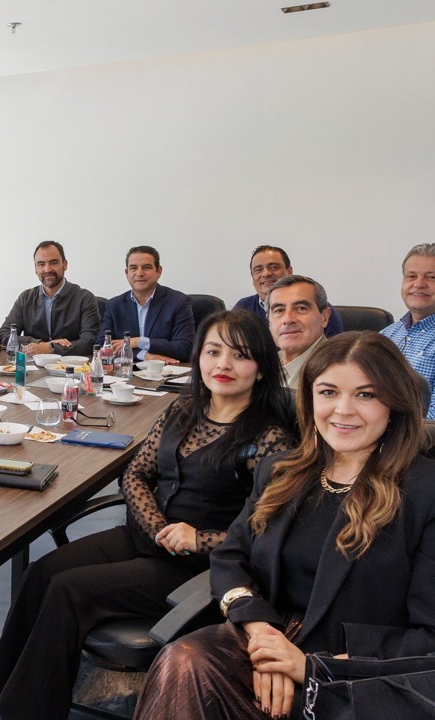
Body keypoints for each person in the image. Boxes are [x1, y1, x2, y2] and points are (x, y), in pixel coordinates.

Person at [0, 310, 294, 720]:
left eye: (240, 355)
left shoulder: (269, 439)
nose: (223, 364)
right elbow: (136, 473)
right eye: (213, 352)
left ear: (261, 368)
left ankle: (25, 712)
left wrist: (198, 539)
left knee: (68, 590)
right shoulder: (184, 408)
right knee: (39, 574)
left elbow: (266, 533)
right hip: (146, 537)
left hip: (198, 566)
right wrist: (156, 526)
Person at [134, 332, 435, 720]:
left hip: (354, 672)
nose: (343, 410)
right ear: (309, 398)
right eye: (328, 392)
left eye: (366, 394)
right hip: (268, 635)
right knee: (185, 660)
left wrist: (309, 665)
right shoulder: (281, 471)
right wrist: (263, 635)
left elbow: (428, 638)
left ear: (395, 403)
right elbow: (230, 556)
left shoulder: (424, 491)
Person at [0, 241, 100, 356]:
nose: (47, 269)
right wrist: (40, 344)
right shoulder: (26, 298)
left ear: (65, 264)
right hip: (33, 365)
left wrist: (52, 348)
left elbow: (90, 342)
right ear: (35, 269)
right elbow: (3, 335)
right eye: (41, 264)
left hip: (69, 365)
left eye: (54, 263)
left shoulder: (84, 298)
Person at [96, 246, 195, 363]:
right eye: (133, 268)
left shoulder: (178, 302)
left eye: (146, 267)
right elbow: (103, 347)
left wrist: (138, 341)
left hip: (166, 370)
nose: (139, 273)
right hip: (127, 371)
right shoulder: (114, 305)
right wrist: (144, 355)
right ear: (127, 273)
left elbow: (186, 348)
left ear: (159, 271)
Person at [233, 245, 344, 336]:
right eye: (258, 270)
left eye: (274, 267)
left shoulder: (318, 308)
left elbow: (333, 352)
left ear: (289, 271)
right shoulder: (243, 308)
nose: (266, 274)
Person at [382, 243, 435, 419]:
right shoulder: (386, 335)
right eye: (411, 276)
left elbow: (432, 420)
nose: (418, 284)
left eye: (431, 277)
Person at [266, 275, 330, 390]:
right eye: (279, 310)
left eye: (301, 308)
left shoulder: (336, 371)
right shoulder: (262, 365)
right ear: (269, 322)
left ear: (324, 317)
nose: (288, 319)